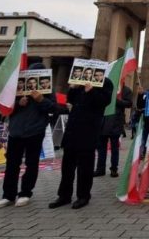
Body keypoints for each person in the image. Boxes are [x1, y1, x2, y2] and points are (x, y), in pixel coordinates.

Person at [0, 63, 56, 209]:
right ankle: (8, 195)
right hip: (16, 131)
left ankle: (25, 193)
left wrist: (41, 100)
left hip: (35, 131)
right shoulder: (16, 87)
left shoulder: (47, 89)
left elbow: (54, 108)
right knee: (12, 164)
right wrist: (18, 104)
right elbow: (4, 108)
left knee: (31, 163)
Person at [49, 76, 113, 210]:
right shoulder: (80, 82)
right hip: (72, 129)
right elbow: (71, 100)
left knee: (85, 167)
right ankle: (64, 195)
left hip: (89, 130)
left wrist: (91, 91)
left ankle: (83, 196)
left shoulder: (105, 82)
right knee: (67, 166)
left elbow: (104, 102)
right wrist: (73, 88)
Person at [94, 84, 132, 178]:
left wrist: (116, 100)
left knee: (114, 148)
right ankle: (100, 169)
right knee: (101, 147)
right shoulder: (105, 86)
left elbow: (129, 104)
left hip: (116, 122)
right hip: (103, 121)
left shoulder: (125, 89)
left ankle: (114, 169)